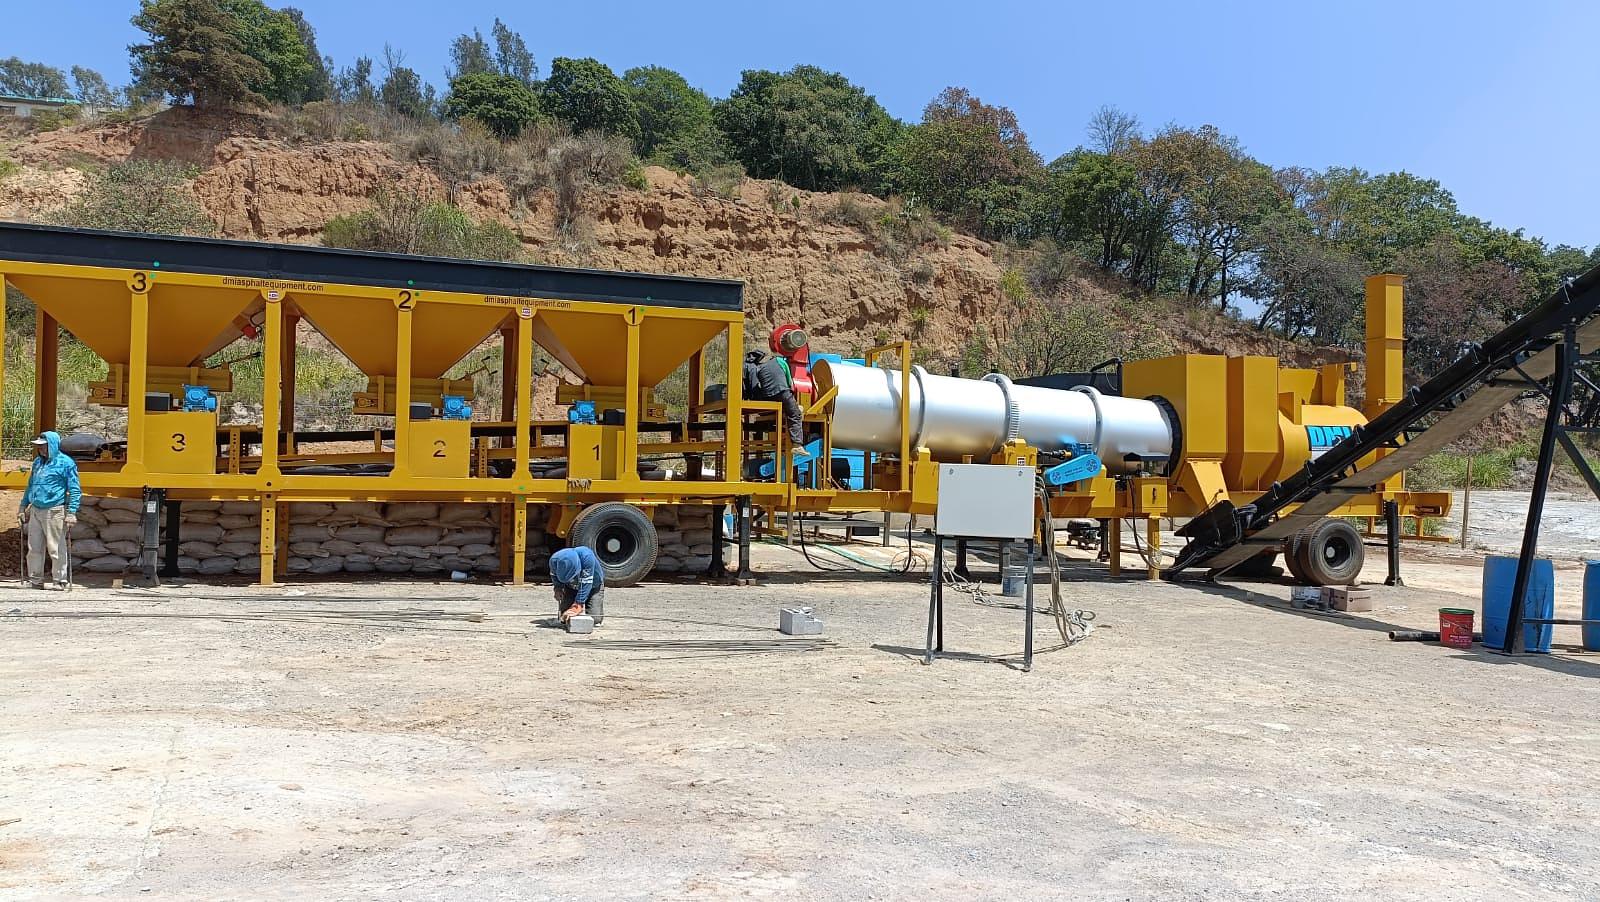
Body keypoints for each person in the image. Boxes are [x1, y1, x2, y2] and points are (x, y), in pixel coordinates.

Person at [19, 430, 81, 590]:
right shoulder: (37, 463)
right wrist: (23, 506)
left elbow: (75, 490)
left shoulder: (66, 463)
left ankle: (59, 580)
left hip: (54, 510)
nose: (40, 449)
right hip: (36, 509)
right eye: (39, 446)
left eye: (44, 446)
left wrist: (71, 512)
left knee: (56, 547)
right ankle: (35, 580)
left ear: (52, 445)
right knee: (34, 548)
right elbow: (30, 485)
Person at [741, 350, 808, 458]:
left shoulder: (758, 368)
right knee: (795, 414)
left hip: (768, 398)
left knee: (784, 410)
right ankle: (797, 445)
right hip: (782, 392)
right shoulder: (780, 361)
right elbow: (790, 383)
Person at [551, 545, 604, 625]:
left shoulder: (587, 556)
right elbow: (554, 575)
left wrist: (578, 604)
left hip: (593, 585)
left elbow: (586, 583)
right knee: (564, 616)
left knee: (595, 619)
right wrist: (558, 588)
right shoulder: (554, 560)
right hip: (571, 586)